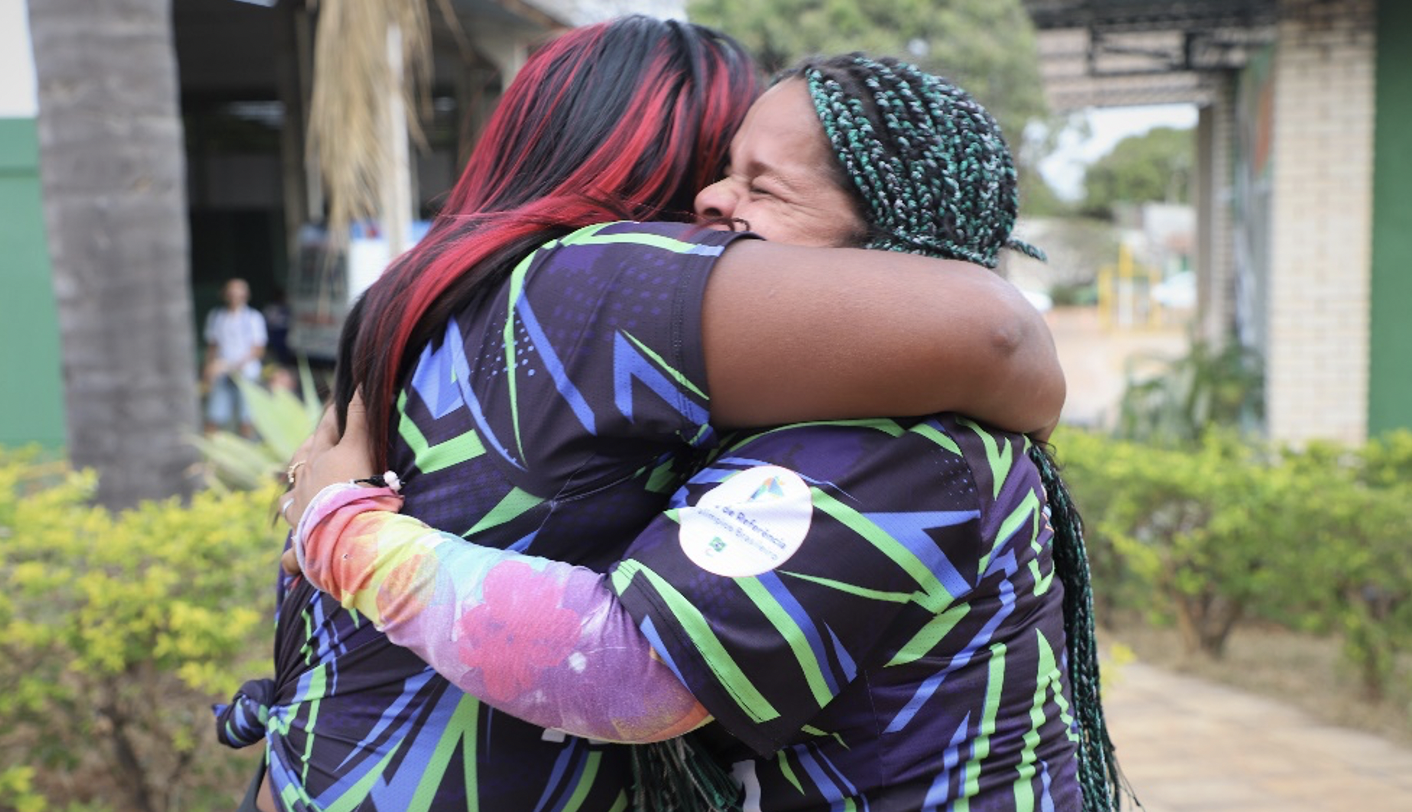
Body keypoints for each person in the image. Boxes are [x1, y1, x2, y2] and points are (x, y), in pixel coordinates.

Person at [218, 17, 1067, 812]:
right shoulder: (610, 281)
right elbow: (997, 335)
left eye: (756, 184)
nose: (707, 203)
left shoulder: (427, 289)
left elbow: (628, 670)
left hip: (313, 770)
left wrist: (334, 530)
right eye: (716, 164)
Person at [203, 277, 267, 437]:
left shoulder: (253, 317)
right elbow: (213, 345)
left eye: (239, 291)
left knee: (246, 419)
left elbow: (258, 349)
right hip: (222, 375)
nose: (235, 295)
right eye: (231, 291)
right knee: (214, 416)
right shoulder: (217, 317)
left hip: (247, 375)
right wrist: (209, 368)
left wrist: (233, 365)